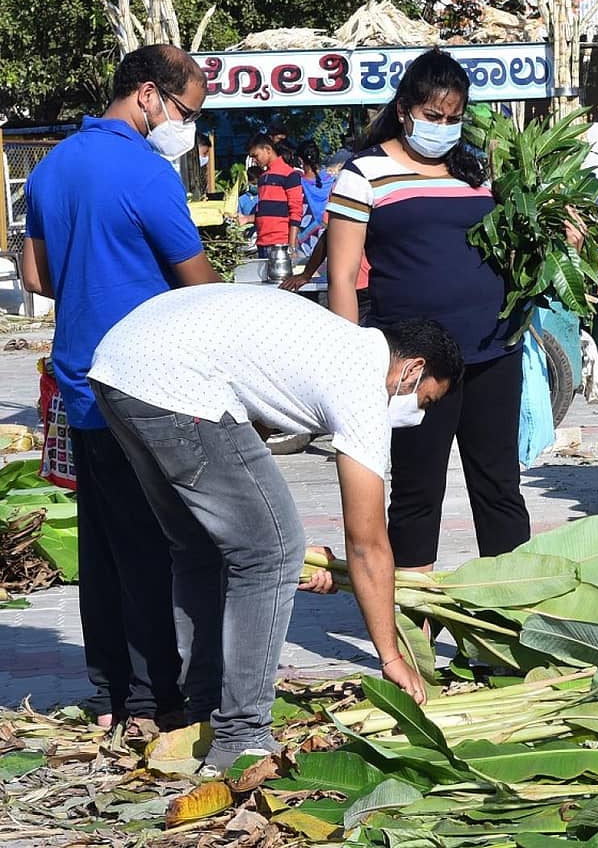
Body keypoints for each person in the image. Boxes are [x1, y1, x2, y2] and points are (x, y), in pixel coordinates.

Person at [88, 284, 463, 771]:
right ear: (412, 369)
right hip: (174, 378)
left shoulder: (331, 342)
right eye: (427, 401)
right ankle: (242, 737)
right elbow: (368, 543)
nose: (418, 414)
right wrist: (390, 656)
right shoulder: (364, 381)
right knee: (273, 551)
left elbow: (244, 447)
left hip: (120, 367)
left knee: (201, 545)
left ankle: (202, 707)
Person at [21, 44, 221, 732]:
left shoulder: (49, 170)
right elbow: (197, 280)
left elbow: (36, 280)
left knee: (103, 547)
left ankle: (109, 694)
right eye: (186, 111)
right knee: (151, 548)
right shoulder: (147, 171)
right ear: (147, 95)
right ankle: (151, 701)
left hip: (79, 381)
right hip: (146, 384)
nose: (186, 127)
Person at [325, 48, 536, 571]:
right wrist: (350, 362)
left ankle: (511, 621)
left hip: (493, 348)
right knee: (418, 495)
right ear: (404, 110)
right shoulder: (363, 174)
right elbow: (343, 277)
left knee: (500, 489)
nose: (443, 127)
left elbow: (517, 243)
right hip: (415, 363)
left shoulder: (481, 172)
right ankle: (414, 633)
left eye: (453, 118)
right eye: (433, 116)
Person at [246, 134, 304, 258]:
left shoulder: (289, 175)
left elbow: (296, 210)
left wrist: (291, 246)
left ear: (268, 150)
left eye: (256, 156)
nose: (255, 161)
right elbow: (266, 211)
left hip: (280, 243)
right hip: (262, 241)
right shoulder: (262, 178)